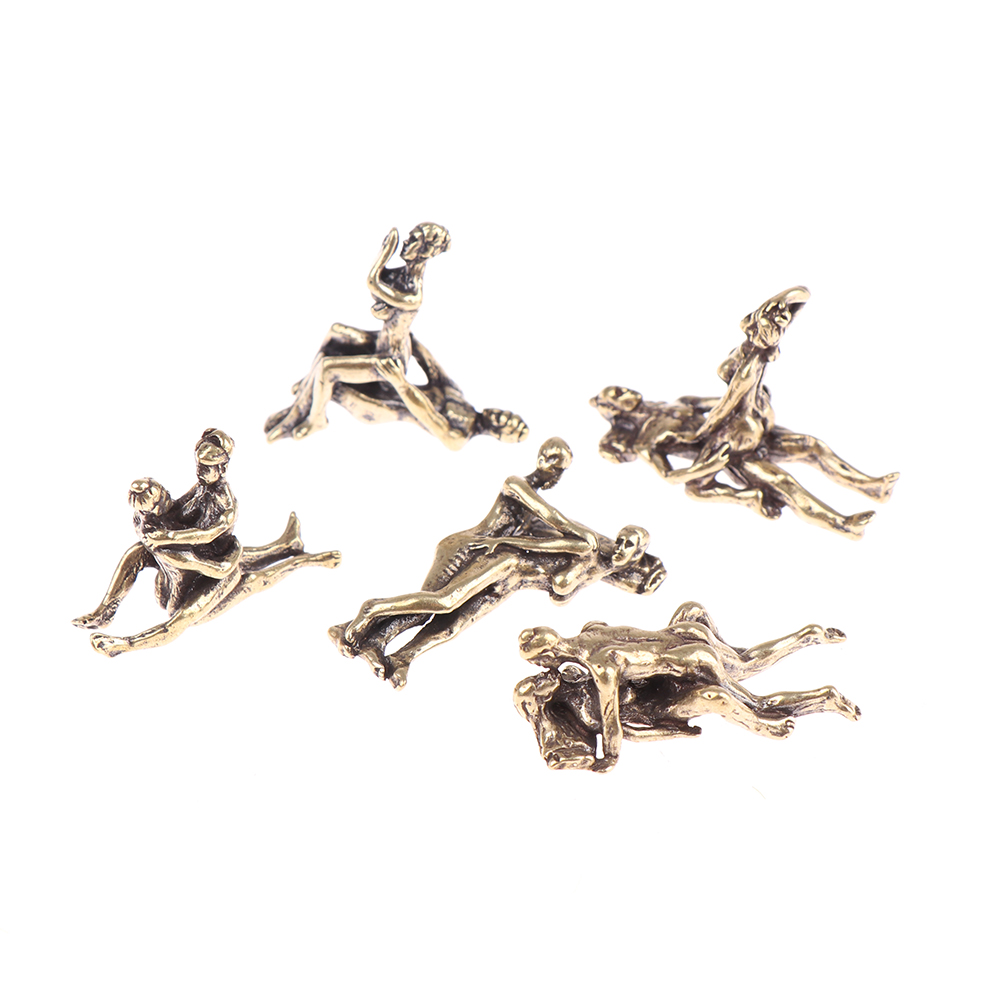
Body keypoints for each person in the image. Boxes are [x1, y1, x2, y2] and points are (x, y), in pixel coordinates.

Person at [330, 438, 664, 687]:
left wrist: (620, 564)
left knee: (455, 621)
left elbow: (570, 563)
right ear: (540, 458)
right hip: (469, 548)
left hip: (503, 570)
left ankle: (393, 653)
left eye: (560, 469)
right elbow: (558, 520)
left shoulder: (571, 548)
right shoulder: (517, 485)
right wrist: (588, 541)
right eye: (553, 462)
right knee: (439, 603)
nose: (555, 472)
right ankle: (366, 614)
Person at [593, 287, 899, 538]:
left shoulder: (679, 402)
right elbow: (670, 476)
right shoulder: (646, 441)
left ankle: (873, 487)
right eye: (617, 395)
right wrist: (707, 466)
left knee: (813, 446)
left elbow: (726, 400)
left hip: (749, 426)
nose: (625, 391)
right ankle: (844, 525)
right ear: (616, 411)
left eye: (619, 387)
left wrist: (756, 399)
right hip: (729, 450)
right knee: (786, 485)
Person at [73, 430, 340, 655]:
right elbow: (178, 510)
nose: (200, 471)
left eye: (207, 466)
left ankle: (306, 560)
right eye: (199, 464)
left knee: (251, 581)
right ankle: (105, 611)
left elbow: (207, 534)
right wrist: (153, 503)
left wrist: (169, 537)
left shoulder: (226, 504)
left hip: (215, 571)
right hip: (196, 558)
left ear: (222, 468)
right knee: (137, 553)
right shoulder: (201, 489)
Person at [264, 223, 528, 449]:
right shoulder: (457, 394)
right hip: (389, 346)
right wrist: (395, 322)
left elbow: (425, 414)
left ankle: (316, 418)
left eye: (512, 428)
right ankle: (300, 406)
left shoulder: (458, 437)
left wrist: (399, 381)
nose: (507, 418)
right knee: (334, 335)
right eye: (512, 417)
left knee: (326, 368)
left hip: (389, 393)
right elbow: (428, 360)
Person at [514, 601, 860, 772]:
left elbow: (612, 720)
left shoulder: (600, 666)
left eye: (540, 665)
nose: (542, 672)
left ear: (548, 656)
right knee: (744, 661)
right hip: (686, 633)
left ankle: (779, 719)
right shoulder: (591, 630)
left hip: (689, 663)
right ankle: (807, 637)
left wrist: (611, 757)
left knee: (752, 702)